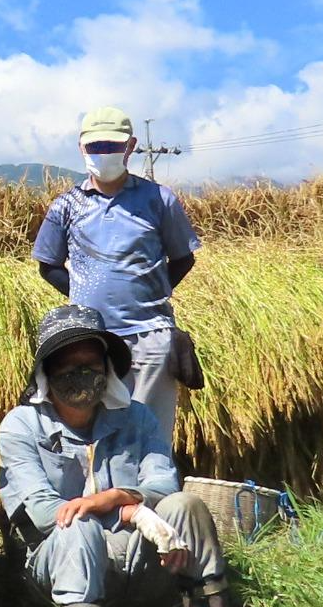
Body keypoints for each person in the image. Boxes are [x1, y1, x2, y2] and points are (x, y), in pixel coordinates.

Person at [0, 305, 230, 607]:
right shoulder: (20, 426)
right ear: (45, 374)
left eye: (89, 363)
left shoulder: (137, 418)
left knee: (186, 505)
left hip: (140, 559)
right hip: (58, 564)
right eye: (67, 366)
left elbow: (161, 482)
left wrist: (124, 497)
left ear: (106, 368)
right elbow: (44, 513)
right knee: (78, 527)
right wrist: (108, 508)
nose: (80, 374)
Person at [32, 106, 201, 442]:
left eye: (112, 145)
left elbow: (183, 257)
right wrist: (82, 296)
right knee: (93, 434)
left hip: (150, 336)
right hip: (91, 341)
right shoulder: (66, 205)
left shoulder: (158, 199)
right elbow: (48, 265)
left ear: (131, 145)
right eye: (95, 147)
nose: (103, 153)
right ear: (82, 148)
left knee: (150, 435)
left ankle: (149, 496)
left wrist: (152, 291)